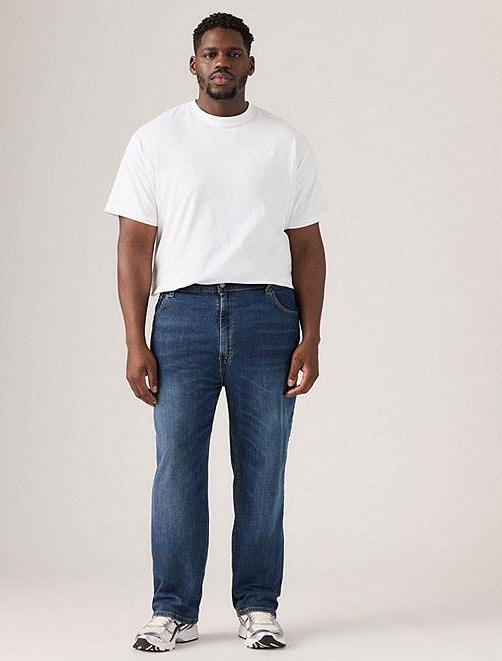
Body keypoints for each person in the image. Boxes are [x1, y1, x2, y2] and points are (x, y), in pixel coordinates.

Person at [104, 12, 328, 652]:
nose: (221, 62)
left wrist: (311, 337)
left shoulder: (285, 143)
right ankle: (174, 609)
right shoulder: (156, 140)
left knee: (263, 469)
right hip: (181, 318)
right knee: (176, 469)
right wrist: (135, 339)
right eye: (210, 53)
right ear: (193, 64)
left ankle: (258, 606)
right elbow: (134, 244)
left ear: (250, 63)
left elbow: (307, 246)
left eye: (232, 53)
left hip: (268, 316)